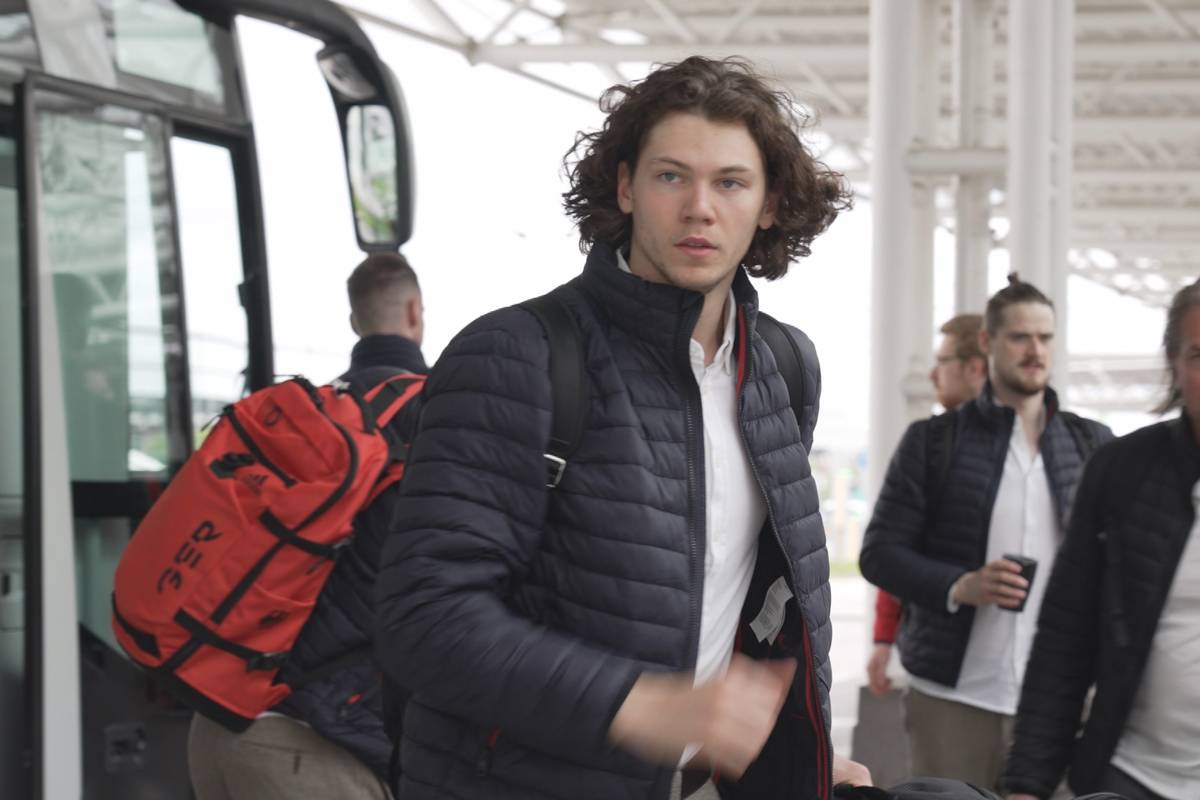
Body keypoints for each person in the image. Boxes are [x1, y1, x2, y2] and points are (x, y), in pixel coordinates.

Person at [374, 56, 870, 799]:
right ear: (625, 188)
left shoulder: (783, 368)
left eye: (730, 182)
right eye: (672, 176)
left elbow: (760, 597)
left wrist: (803, 753)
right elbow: (423, 617)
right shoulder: (518, 353)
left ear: (769, 205)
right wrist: (631, 704)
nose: (700, 207)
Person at [188, 252, 427, 799]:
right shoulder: (434, 420)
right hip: (312, 750)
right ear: (415, 311)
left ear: (353, 323)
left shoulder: (309, 417)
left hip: (218, 724)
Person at [858, 276, 1113, 790]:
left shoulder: (1093, 445)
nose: (1035, 351)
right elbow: (879, 554)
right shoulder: (933, 442)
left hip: (1058, 704)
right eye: (1020, 337)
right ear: (987, 344)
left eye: (1045, 338)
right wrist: (960, 586)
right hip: (953, 699)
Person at [1002, 278, 1200, 800]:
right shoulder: (1122, 470)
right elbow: (1066, 635)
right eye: (1199, 355)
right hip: (1133, 774)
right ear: (1174, 363)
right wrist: (1027, 781)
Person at [866, 313, 986, 697]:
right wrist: (885, 638)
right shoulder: (929, 449)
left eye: (943, 362)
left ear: (975, 368)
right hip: (940, 677)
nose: (933, 376)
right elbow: (895, 552)